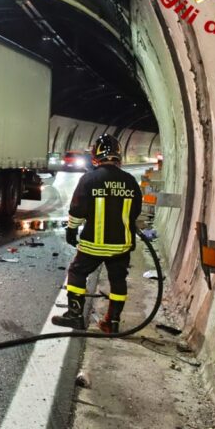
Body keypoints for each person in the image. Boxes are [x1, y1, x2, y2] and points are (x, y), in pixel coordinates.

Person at [52, 134, 143, 333]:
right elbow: (136, 211)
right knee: (118, 280)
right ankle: (112, 322)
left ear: (96, 155)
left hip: (93, 244)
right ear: (119, 155)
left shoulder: (89, 179)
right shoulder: (130, 181)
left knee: (77, 272)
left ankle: (75, 316)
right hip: (121, 245)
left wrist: (71, 230)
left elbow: (77, 210)